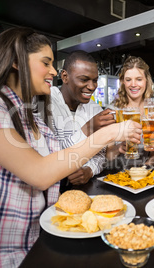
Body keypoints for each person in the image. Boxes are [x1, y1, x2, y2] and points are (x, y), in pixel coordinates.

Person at [0, 28, 141, 267]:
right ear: (16, 61)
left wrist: (106, 150)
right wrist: (106, 134)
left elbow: (59, 163)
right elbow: (40, 174)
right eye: (46, 63)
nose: (53, 71)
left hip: (31, 246)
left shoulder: (32, 117)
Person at [51, 50, 115, 190]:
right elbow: (51, 158)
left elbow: (101, 154)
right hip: (51, 191)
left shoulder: (94, 108)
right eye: (84, 79)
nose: (92, 87)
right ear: (65, 76)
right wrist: (89, 128)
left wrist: (89, 170)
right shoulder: (47, 103)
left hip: (85, 189)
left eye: (95, 80)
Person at [107, 56, 154, 167]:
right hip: (118, 174)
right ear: (123, 81)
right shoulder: (113, 110)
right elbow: (108, 155)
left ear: (146, 80)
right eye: (128, 80)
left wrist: (146, 167)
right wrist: (119, 148)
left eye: (139, 79)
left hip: (146, 174)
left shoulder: (152, 109)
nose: (133, 84)